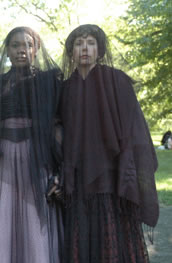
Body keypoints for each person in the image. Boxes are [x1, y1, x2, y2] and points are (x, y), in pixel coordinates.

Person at [60, 24, 159, 263]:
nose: (85, 48)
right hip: (77, 174)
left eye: (91, 43)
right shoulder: (64, 88)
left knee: (111, 232)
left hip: (110, 174)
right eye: (79, 43)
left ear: (100, 49)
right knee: (79, 232)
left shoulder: (116, 81)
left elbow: (134, 128)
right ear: (71, 50)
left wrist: (128, 167)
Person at [0, 27, 64, 263]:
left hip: (38, 160)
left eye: (29, 45)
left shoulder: (51, 81)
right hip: (2, 162)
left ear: (37, 49)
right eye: (16, 45)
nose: (22, 50)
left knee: (35, 226)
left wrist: (61, 171)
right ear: (7, 50)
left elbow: (59, 126)